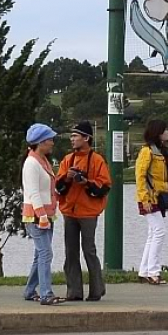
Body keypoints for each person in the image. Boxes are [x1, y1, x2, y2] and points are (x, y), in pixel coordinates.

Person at [55, 121, 111, 302]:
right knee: (70, 252)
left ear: (86, 138)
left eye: (75, 136)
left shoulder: (97, 160)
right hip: (69, 212)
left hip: (88, 212)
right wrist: (68, 178)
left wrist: (86, 182)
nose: (72, 139)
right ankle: (74, 291)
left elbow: (105, 186)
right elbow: (58, 187)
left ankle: (96, 290)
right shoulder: (67, 160)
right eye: (71, 136)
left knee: (89, 250)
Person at [22, 123, 65, 306]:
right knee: (46, 253)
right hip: (37, 216)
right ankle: (46, 293)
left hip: (46, 214)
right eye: (49, 140)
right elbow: (33, 192)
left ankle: (30, 290)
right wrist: (42, 216)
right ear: (40, 142)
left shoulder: (43, 161)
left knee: (40, 254)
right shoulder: (31, 164)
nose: (52, 143)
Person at [134, 119, 168, 285]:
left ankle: (145, 270)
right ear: (158, 133)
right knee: (159, 231)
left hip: (158, 197)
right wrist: (145, 199)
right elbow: (140, 176)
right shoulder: (147, 151)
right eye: (164, 130)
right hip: (150, 198)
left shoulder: (160, 151)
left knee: (153, 233)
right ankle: (153, 271)